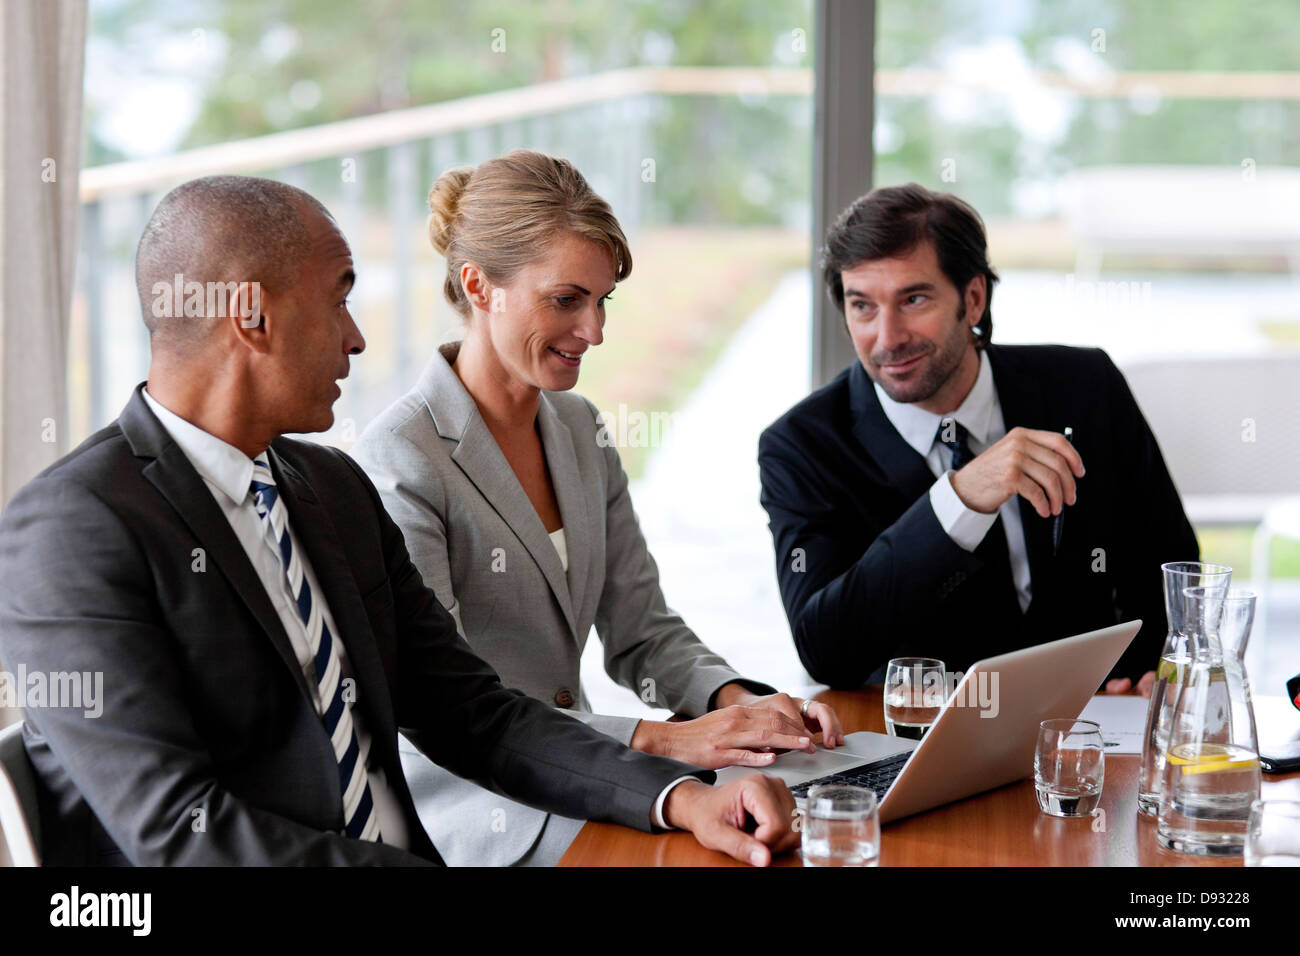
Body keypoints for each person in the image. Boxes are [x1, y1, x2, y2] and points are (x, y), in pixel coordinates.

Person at [0, 175, 800, 867]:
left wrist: (679, 798)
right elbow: (178, 833)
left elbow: (475, 716)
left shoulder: (329, 490)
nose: (357, 339)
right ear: (251, 318)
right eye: (340, 298)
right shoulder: (73, 528)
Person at [350, 149, 842, 866]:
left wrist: (740, 706)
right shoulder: (401, 458)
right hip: (474, 807)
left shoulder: (577, 428)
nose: (595, 331)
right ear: (478, 285)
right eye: (566, 300)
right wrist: (663, 743)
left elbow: (643, 631)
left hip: (591, 773)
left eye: (601, 301)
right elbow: (450, 710)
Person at [758, 183, 1199, 691]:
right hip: (917, 741)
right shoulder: (801, 446)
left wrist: (1146, 674)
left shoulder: (1086, 387)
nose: (888, 337)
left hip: (1093, 729)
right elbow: (826, 650)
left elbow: (1170, 569)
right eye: (863, 307)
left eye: (914, 299)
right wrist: (959, 499)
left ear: (972, 299)